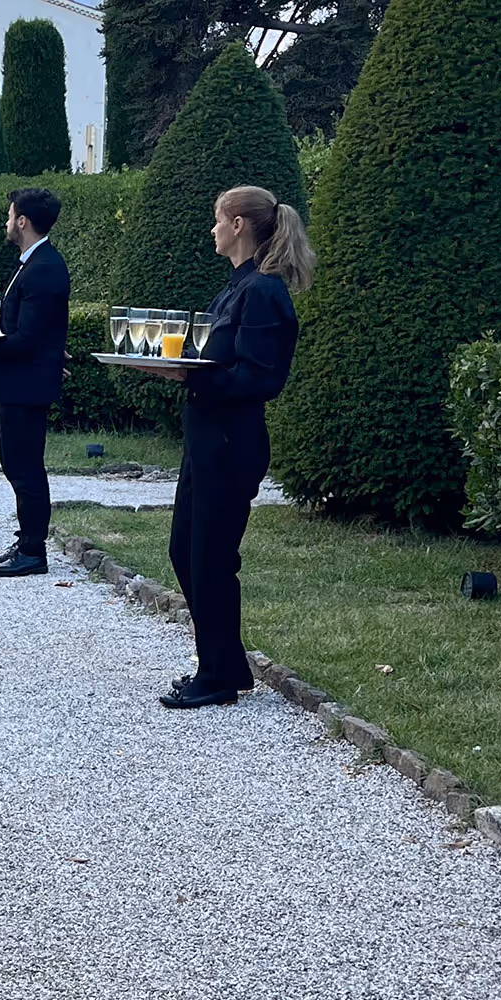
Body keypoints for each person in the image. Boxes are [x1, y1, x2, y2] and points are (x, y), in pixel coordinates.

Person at [146, 185, 314, 710]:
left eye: (218, 219)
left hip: (229, 442)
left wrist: (191, 375)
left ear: (238, 224)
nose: (213, 229)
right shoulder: (238, 286)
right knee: (186, 551)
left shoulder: (263, 292)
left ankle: (217, 676)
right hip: (206, 441)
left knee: (211, 560)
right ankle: (226, 664)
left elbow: (261, 377)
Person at [0, 187, 71, 580]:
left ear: (23, 221)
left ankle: (33, 551)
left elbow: (28, 338)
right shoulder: (33, 263)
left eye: (10, 215)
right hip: (16, 382)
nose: (6, 222)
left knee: (26, 470)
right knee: (17, 467)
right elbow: (42, 331)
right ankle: (26, 540)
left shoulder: (44, 267)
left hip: (25, 386)